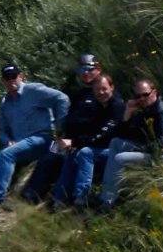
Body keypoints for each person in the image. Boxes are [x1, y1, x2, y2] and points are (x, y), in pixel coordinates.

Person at [82, 78, 163, 213]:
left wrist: (136, 149)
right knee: (115, 143)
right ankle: (106, 195)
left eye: (145, 95)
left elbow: (161, 144)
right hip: (154, 152)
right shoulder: (145, 110)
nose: (142, 99)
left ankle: (107, 203)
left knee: (120, 158)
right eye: (138, 96)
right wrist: (127, 113)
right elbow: (124, 134)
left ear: (154, 92)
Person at [33, 70, 127, 208]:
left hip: (117, 150)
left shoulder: (117, 106)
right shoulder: (100, 106)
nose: (101, 92)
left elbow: (103, 136)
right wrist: (73, 142)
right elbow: (90, 131)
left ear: (112, 88)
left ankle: (81, 197)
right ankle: (59, 199)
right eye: (97, 90)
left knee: (85, 153)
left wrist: (75, 142)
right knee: (72, 155)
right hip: (102, 147)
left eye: (104, 89)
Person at [0, 66, 70, 205]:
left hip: (41, 138)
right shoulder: (5, 102)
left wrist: (60, 128)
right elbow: (3, 129)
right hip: (21, 143)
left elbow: (62, 99)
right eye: (7, 78)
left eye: (14, 76)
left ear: (20, 76)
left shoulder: (33, 91)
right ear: (3, 80)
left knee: (6, 155)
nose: (11, 80)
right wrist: (8, 140)